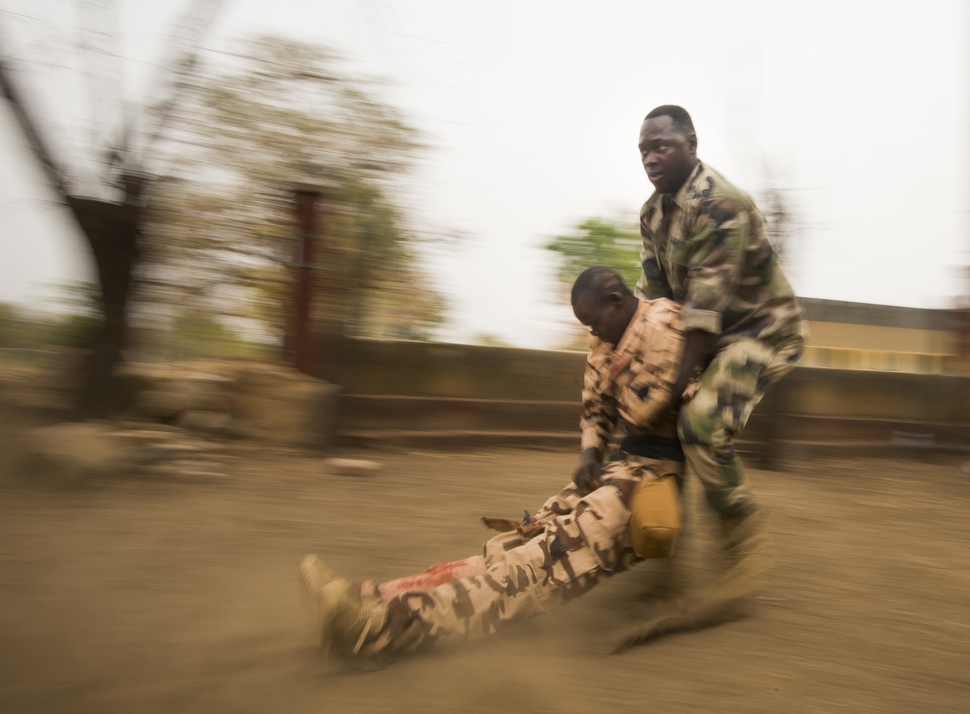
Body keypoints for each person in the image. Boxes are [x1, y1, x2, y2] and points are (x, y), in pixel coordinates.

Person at [300, 268, 691, 662]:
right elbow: (595, 406)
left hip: (651, 482)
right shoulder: (607, 338)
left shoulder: (666, 324)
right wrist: (591, 452)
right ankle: (369, 597)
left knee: (529, 572)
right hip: (618, 469)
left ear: (616, 300)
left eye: (596, 321)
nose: (596, 333)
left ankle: (373, 632)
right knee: (508, 549)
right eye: (588, 325)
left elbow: (665, 409)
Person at [635, 104, 807, 551]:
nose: (650, 158)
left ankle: (741, 545)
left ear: (692, 146)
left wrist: (669, 394)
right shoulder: (653, 215)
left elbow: (701, 317)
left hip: (763, 333)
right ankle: (662, 547)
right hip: (707, 339)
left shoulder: (719, 205)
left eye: (662, 147)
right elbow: (652, 307)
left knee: (698, 423)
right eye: (643, 150)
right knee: (654, 426)